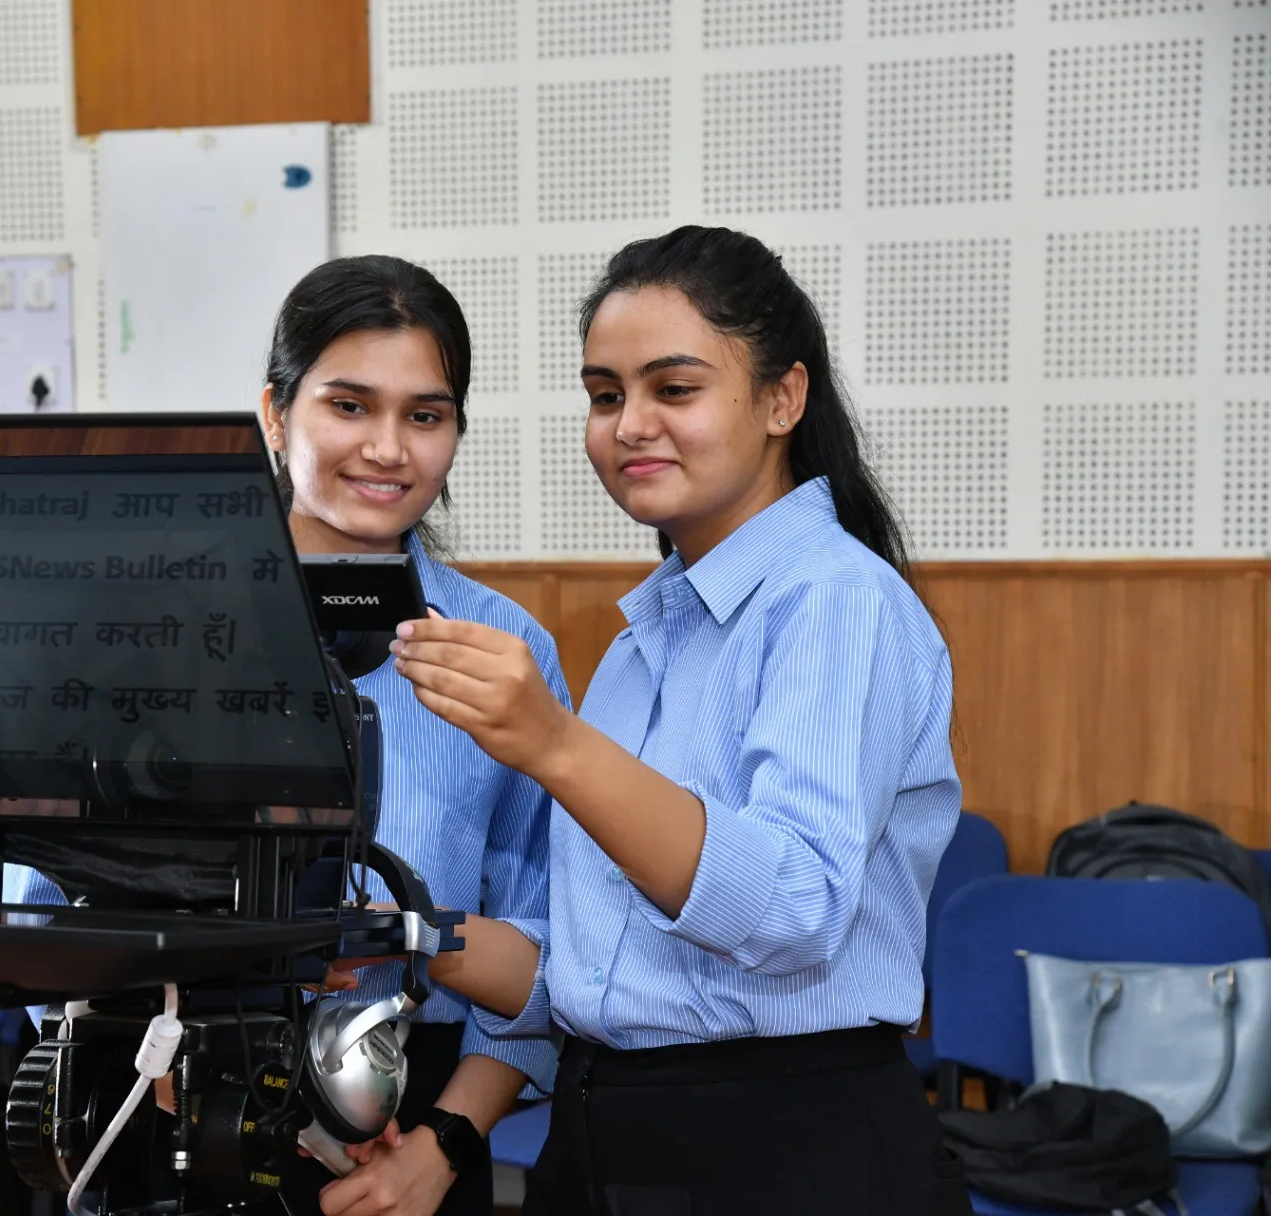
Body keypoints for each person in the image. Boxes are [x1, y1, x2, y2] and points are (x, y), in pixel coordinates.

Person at [381, 227, 972, 1215]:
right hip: (609, 1131)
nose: (630, 424)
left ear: (784, 398)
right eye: (606, 395)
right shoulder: (643, 636)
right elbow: (595, 977)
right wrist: (382, 923)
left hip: (785, 1145)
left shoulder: (835, 600)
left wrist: (555, 747)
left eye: (675, 389)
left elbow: (794, 908)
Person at [7, 254, 569, 1216]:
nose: (389, 449)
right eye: (349, 405)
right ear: (276, 412)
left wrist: (439, 1146)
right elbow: (36, 914)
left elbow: (555, 951)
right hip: (167, 1095)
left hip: (414, 1122)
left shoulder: (508, 650)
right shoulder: (140, 625)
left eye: (425, 416)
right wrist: (169, 1063)